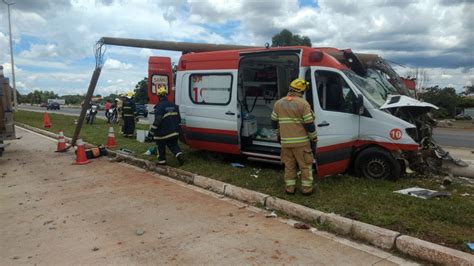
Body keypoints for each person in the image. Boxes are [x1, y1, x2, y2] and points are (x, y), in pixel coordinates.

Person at [271, 78, 317, 195]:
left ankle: (290, 189)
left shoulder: (279, 103)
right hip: (301, 143)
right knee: (305, 166)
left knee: (289, 166)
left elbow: (273, 122)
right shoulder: (303, 104)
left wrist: (278, 135)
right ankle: (307, 190)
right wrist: (314, 138)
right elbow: (309, 125)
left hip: (285, 143)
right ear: (301, 91)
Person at [147, 86, 184, 166]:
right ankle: (179, 155)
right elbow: (179, 119)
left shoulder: (159, 107)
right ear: (165, 95)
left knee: (160, 146)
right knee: (173, 145)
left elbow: (157, 121)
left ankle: (162, 161)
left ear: (158, 96)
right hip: (174, 131)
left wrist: (151, 132)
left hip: (163, 133)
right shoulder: (173, 105)